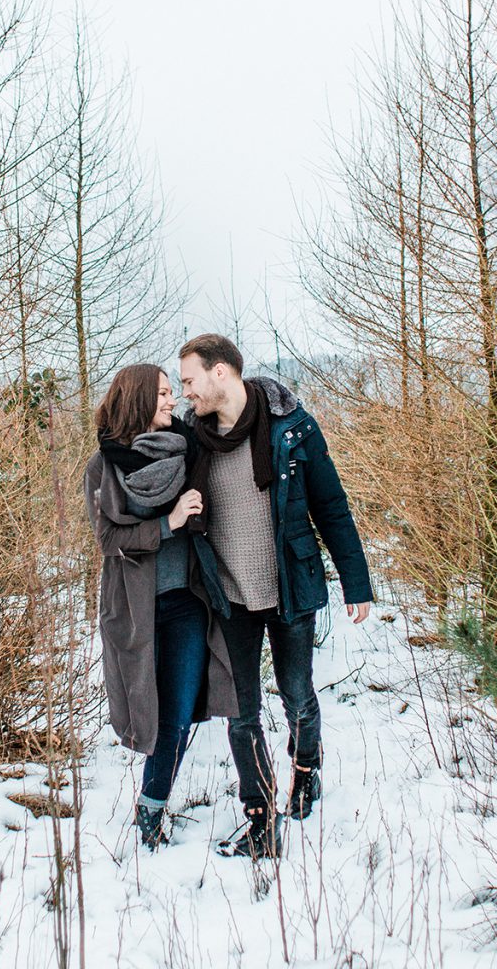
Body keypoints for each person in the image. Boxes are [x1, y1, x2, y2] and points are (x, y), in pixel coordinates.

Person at [179, 334, 373, 859]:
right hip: (230, 596)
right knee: (240, 713)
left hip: (290, 586)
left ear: (221, 372)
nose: (186, 392)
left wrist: (356, 581)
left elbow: (331, 506)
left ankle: (306, 769)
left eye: (190, 380)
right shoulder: (193, 439)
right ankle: (262, 817)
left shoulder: (293, 427)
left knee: (297, 694)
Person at [83, 363, 238, 851]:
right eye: (163, 394)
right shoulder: (103, 466)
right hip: (136, 609)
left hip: (187, 602)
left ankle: (150, 810)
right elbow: (108, 539)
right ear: (138, 400)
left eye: (174, 391)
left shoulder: (188, 451)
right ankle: (150, 810)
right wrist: (167, 524)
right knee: (146, 711)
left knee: (176, 712)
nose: (173, 401)